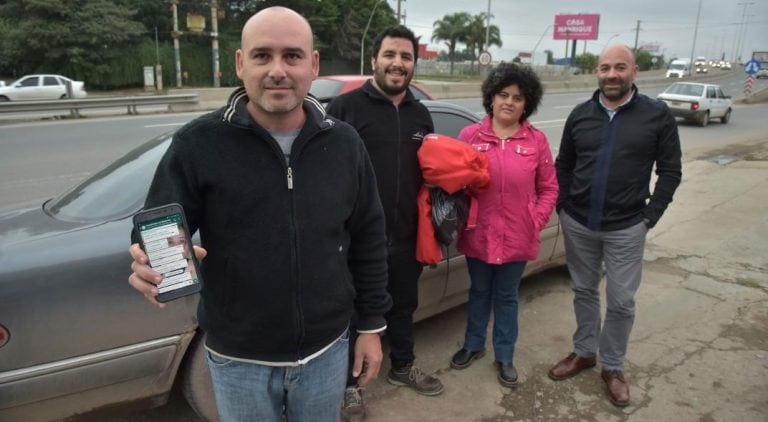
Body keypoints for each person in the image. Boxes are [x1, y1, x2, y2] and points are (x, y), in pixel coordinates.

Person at [127, 7, 392, 422]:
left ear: (313, 64)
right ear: (240, 63)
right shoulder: (198, 144)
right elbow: (157, 228)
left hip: (327, 352)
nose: (277, 70)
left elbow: (370, 237)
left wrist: (372, 326)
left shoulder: (345, 144)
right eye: (262, 55)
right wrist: (147, 261)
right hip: (237, 360)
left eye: (292, 56)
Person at [548, 44, 682, 407]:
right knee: (584, 291)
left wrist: (649, 218)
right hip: (578, 222)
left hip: (627, 226)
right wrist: (562, 205)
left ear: (634, 71)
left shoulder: (657, 115)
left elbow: (670, 171)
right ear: (597, 72)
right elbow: (564, 164)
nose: (611, 74)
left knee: (622, 301)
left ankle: (612, 366)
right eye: (605, 67)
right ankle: (584, 352)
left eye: (619, 67)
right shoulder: (580, 114)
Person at [326, 25, 443, 421]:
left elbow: (430, 173)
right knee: (352, 315)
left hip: (407, 236)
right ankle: (349, 387)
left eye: (406, 57)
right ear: (374, 60)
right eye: (390, 55)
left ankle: (401, 366)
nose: (398, 63)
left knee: (403, 306)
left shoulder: (420, 114)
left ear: (413, 64)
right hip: (355, 241)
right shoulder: (345, 110)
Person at [448, 63, 558, 387]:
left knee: (507, 296)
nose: (509, 102)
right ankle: (473, 345)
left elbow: (550, 188)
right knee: (479, 291)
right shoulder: (470, 137)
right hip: (478, 233)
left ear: (527, 104)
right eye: (503, 94)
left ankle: (505, 355)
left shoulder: (536, 141)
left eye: (518, 97)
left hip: (516, 237)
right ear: (491, 98)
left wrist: (534, 220)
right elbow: (454, 182)